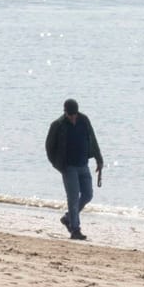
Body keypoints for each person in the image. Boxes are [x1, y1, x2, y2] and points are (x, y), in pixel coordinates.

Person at [43, 98, 103, 240]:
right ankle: (75, 230)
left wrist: (99, 160)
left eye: (75, 114)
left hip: (83, 165)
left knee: (88, 194)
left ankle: (68, 218)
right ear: (65, 112)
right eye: (70, 114)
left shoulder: (84, 120)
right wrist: (58, 165)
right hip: (68, 167)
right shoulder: (57, 125)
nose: (73, 117)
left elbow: (93, 140)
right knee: (73, 198)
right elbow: (49, 147)